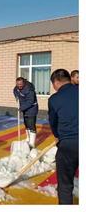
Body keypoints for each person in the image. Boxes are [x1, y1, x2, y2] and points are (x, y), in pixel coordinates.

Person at [48, 69, 78, 204]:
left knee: (65, 185)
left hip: (68, 145)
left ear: (56, 82)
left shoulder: (54, 99)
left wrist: (57, 137)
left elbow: (53, 123)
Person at [13, 77, 39, 148]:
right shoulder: (17, 88)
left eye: (20, 84)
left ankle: (32, 143)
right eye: (18, 84)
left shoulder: (29, 90)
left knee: (31, 124)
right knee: (26, 123)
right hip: (24, 108)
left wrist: (21, 108)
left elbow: (30, 102)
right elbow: (15, 90)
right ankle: (28, 139)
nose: (19, 86)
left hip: (32, 108)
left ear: (24, 82)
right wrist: (16, 97)